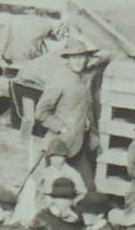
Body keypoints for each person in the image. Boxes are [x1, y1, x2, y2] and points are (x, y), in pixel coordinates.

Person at [32, 37, 100, 183]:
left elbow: (85, 107)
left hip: (79, 144)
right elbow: (41, 113)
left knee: (86, 189)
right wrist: (61, 127)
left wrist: (93, 131)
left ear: (87, 58)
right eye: (74, 57)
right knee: (57, 189)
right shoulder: (59, 80)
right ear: (67, 59)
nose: (78, 61)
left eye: (81, 56)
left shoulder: (82, 79)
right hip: (59, 148)